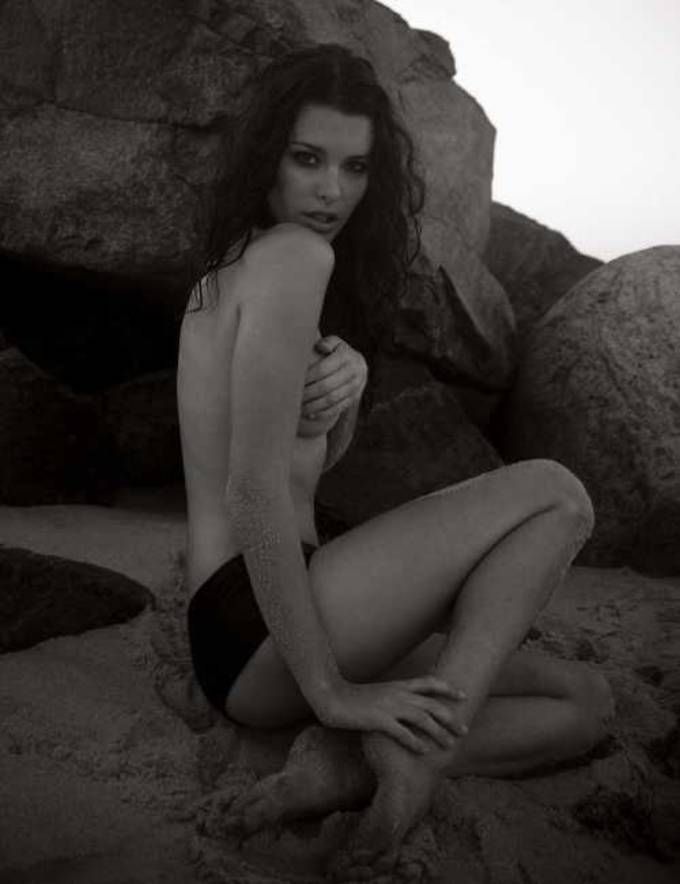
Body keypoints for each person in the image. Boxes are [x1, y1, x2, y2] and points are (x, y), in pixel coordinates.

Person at [177, 43, 614, 879]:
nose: (331, 191)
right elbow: (253, 492)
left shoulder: (229, 273)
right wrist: (332, 691)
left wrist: (347, 395)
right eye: (307, 159)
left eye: (355, 167)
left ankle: (351, 766)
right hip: (264, 620)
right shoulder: (295, 259)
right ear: (267, 155)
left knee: (582, 704)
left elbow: (292, 473)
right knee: (557, 494)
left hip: (254, 633)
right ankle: (398, 753)